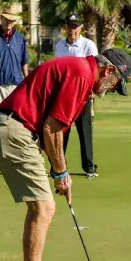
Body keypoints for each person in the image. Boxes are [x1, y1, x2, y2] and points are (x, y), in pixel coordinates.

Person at [0, 48, 131, 261]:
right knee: (44, 207)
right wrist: (62, 173)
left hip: (12, 130)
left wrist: (57, 170)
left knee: (40, 207)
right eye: (115, 84)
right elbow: (52, 129)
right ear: (109, 71)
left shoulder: (79, 72)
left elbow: (52, 130)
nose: (110, 90)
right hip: (13, 130)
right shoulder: (80, 74)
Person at [55, 14, 99, 178]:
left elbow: (94, 69)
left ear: (81, 28)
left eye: (75, 27)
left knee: (85, 131)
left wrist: (92, 91)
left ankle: (89, 168)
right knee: (61, 132)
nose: (72, 30)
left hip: (82, 95)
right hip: (64, 95)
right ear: (65, 28)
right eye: (70, 26)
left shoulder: (88, 45)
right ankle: (58, 167)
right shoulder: (60, 46)